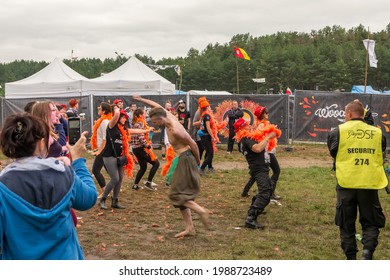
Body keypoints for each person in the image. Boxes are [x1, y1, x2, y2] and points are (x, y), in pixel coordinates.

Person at [0, 113, 97, 259]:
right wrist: (77, 161)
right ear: (41, 143)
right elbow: (89, 198)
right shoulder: (64, 174)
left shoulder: (3, 187)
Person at [133, 95, 209, 238]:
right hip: (181, 158)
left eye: (155, 122)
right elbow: (155, 104)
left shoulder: (175, 130)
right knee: (179, 194)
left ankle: (201, 211)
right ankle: (190, 228)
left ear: (161, 119)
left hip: (186, 159)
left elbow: (192, 144)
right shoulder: (166, 115)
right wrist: (141, 99)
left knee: (176, 194)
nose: (154, 124)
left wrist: (198, 162)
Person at [327, 100, 388, 260]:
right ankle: (367, 253)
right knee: (371, 222)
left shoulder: (337, 131)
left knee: (346, 224)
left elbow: (334, 152)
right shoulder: (377, 132)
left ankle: (351, 258)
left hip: (346, 183)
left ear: (348, 114)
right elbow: (381, 152)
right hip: (369, 183)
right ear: (364, 114)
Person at [234, 118, 278, 229]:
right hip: (259, 169)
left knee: (268, 189)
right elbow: (257, 149)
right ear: (242, 128)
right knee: (265, 194)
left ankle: (255, 206)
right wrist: (268, 137)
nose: (249, 126)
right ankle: (251, 219)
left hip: (257, 168)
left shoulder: (241, 141)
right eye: (246, 125)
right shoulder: (246, 138)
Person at [241, 106, 282, 201]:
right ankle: (270, 193)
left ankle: (245, 191)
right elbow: (259, 140)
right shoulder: (261, 126)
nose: (268, 114)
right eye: (266, 112)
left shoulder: (264, 124)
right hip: (267, 152)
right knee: (276, 171)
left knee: (257, 173)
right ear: (262, 115)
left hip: (268, 151)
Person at [98, 107, 133, 210]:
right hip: (109, 156)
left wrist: (147, 130)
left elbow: (133, 130)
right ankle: (102, 199)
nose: (125, 119)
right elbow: (116, 115)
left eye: (125, 118)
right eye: (123, 117)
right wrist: (117, 108)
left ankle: (115, 201)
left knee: (120, 179)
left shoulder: (122, 129)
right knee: (115, 179)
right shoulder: (111, 126)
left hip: (119, 157)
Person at [130, 108, 160, 191]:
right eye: (144, 112)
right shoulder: (140, 123)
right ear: (140, 115)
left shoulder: (136, 123)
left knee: (143, 167)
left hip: (136, 149)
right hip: (141, 148)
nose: (145, 114)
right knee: (156, 163)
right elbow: (141, 136)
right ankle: (148, 183)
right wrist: (147, 145)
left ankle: (135, 185)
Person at [90, 102, 112, 196]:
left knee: (95, 170)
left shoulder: (104, 122)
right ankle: (114, 187)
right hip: (103, 149)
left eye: (99, 109)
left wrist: (99, 151)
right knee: (109, 170)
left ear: (104, 111)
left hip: (103, 149)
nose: (98, 110)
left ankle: (104, 192)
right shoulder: (104, 121)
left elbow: (105, 139)